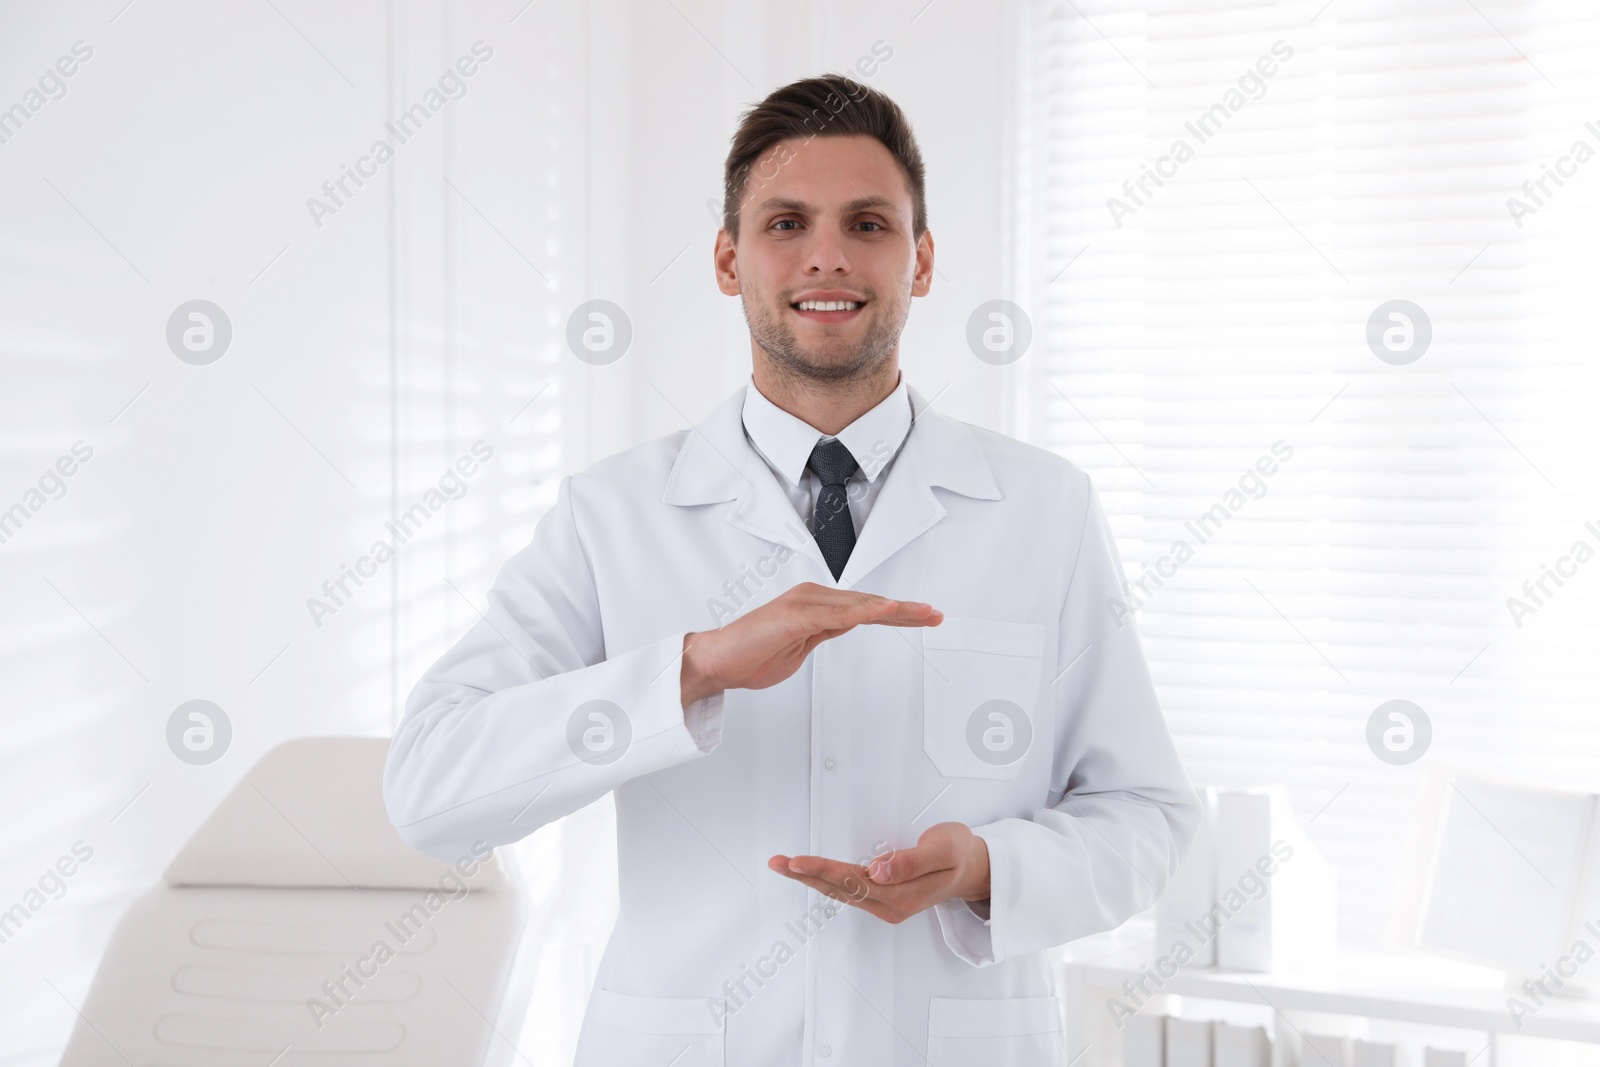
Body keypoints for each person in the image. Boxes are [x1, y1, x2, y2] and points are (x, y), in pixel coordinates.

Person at [384, 72, 1199, 1067]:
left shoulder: (1043, 509)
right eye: (784, 222)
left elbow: (1146, 815)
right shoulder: (612, 515)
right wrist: (693, 668)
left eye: (867, 223)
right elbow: (430, 788)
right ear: (729, 260)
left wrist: (988, 866)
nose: (827, 256)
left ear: (922, 259)